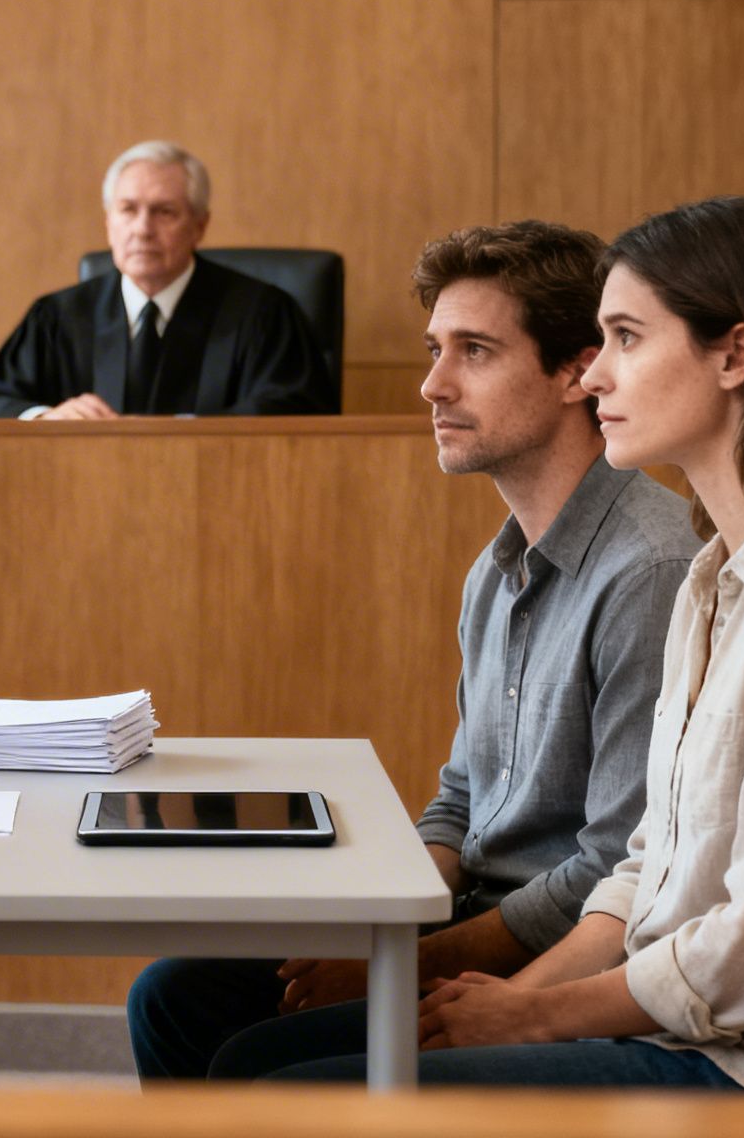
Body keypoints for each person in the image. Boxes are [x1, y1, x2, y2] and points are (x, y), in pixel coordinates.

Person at [256, 197, 744, 1097]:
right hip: (691, 1036)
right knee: (265, 1062)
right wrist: (515, 1005)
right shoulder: (720, 573)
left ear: (736, 355)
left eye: (626, 339)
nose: (597, 374)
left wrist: (532, 1015)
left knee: (289, 1090)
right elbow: (647, 865)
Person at [128, 221, 700, 1079]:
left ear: (576, 372)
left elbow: (612, 867)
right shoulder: (495, 570)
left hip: (567, 957)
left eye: (475, 352)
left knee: (255, 1063)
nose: (433, 384)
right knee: (173, 996)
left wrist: (405, 960)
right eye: (436, 350)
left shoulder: (650, 571)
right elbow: (461, 802)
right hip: (470, 917)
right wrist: (381, 928)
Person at [0, 140, 336, 418]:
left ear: (200, 226)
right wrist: (45, 418)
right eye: (127, 210)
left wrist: (185, 433)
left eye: (164, 212)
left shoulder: (262, 315)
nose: (142, 229)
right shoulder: (59, 317)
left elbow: (299, 410)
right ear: (108, 224)